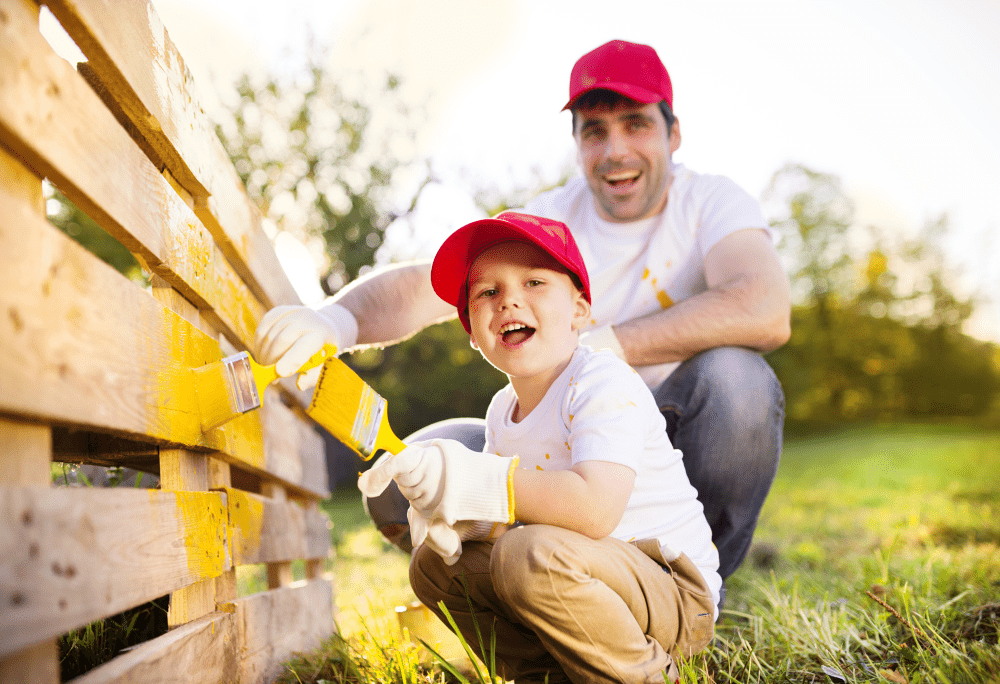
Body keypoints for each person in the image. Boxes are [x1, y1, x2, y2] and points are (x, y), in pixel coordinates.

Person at [254, 39, 790, 589]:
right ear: (577, 143)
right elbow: (420, 285)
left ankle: (703, 589)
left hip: (673, 436)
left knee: (737, 383)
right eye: (594, 131)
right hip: (563, 442)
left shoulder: (711, 203)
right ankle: (514, 606)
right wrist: (334, 321)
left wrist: (607, 346)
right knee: (404, 476)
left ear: (673, 134)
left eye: (636, 124)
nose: (615, 150)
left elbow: (763, 307)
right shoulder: (552, 221)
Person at [358, 211, 719, 682]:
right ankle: (546, 674)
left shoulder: (599, 380)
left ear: (579, 310)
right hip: (579, 580)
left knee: (528, 554)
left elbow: (594, 510)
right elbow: (501, 523)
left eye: (534, 282)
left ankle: (647, 675)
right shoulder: (501, 410)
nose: (509, 300)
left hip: (672, 595)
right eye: (487, 292)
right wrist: (452, 511)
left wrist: (477, 480)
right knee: (435, 565)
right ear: (472, 332)